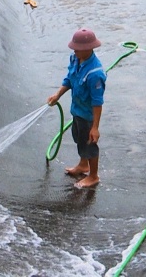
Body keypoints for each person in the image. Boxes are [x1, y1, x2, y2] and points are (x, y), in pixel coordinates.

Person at [47, 28, 106, 188]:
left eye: (77, 48)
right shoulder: (75, 59)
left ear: (88, 49)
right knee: (79, 139)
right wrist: (58, 94)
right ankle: (83, 165)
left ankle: (93, 176)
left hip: (88, 115)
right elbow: (69, 79)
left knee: (89, 144)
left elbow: (97, 102)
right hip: (77, 111)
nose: (74, 50)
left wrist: (95, 127)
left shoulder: (95, 73)